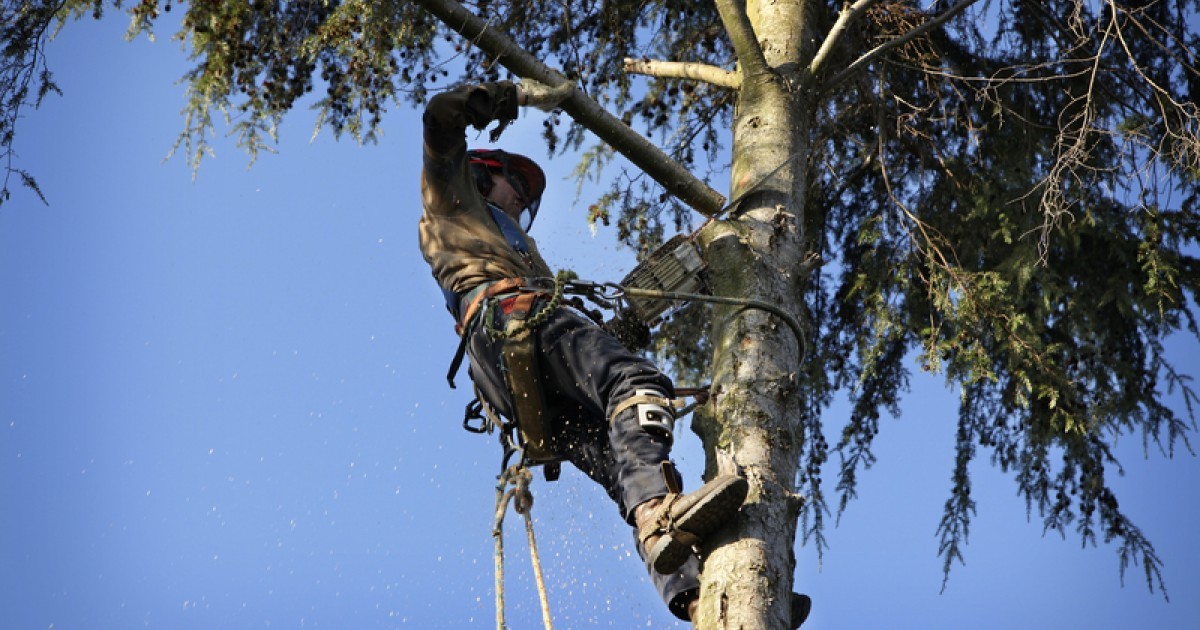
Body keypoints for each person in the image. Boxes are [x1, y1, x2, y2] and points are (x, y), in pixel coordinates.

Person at [418, 79, 809, 627]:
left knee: (620, 466)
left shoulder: (522, 256)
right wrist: (499, 97)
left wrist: (628, 320)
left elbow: (575, 353)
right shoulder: (452, 198)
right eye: (518, 190)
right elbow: (440, 116)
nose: (523, 203)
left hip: (512, 376)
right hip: (506, 318)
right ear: (482, 172)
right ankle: (659, 515)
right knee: (638, 383)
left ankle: (697, 597)